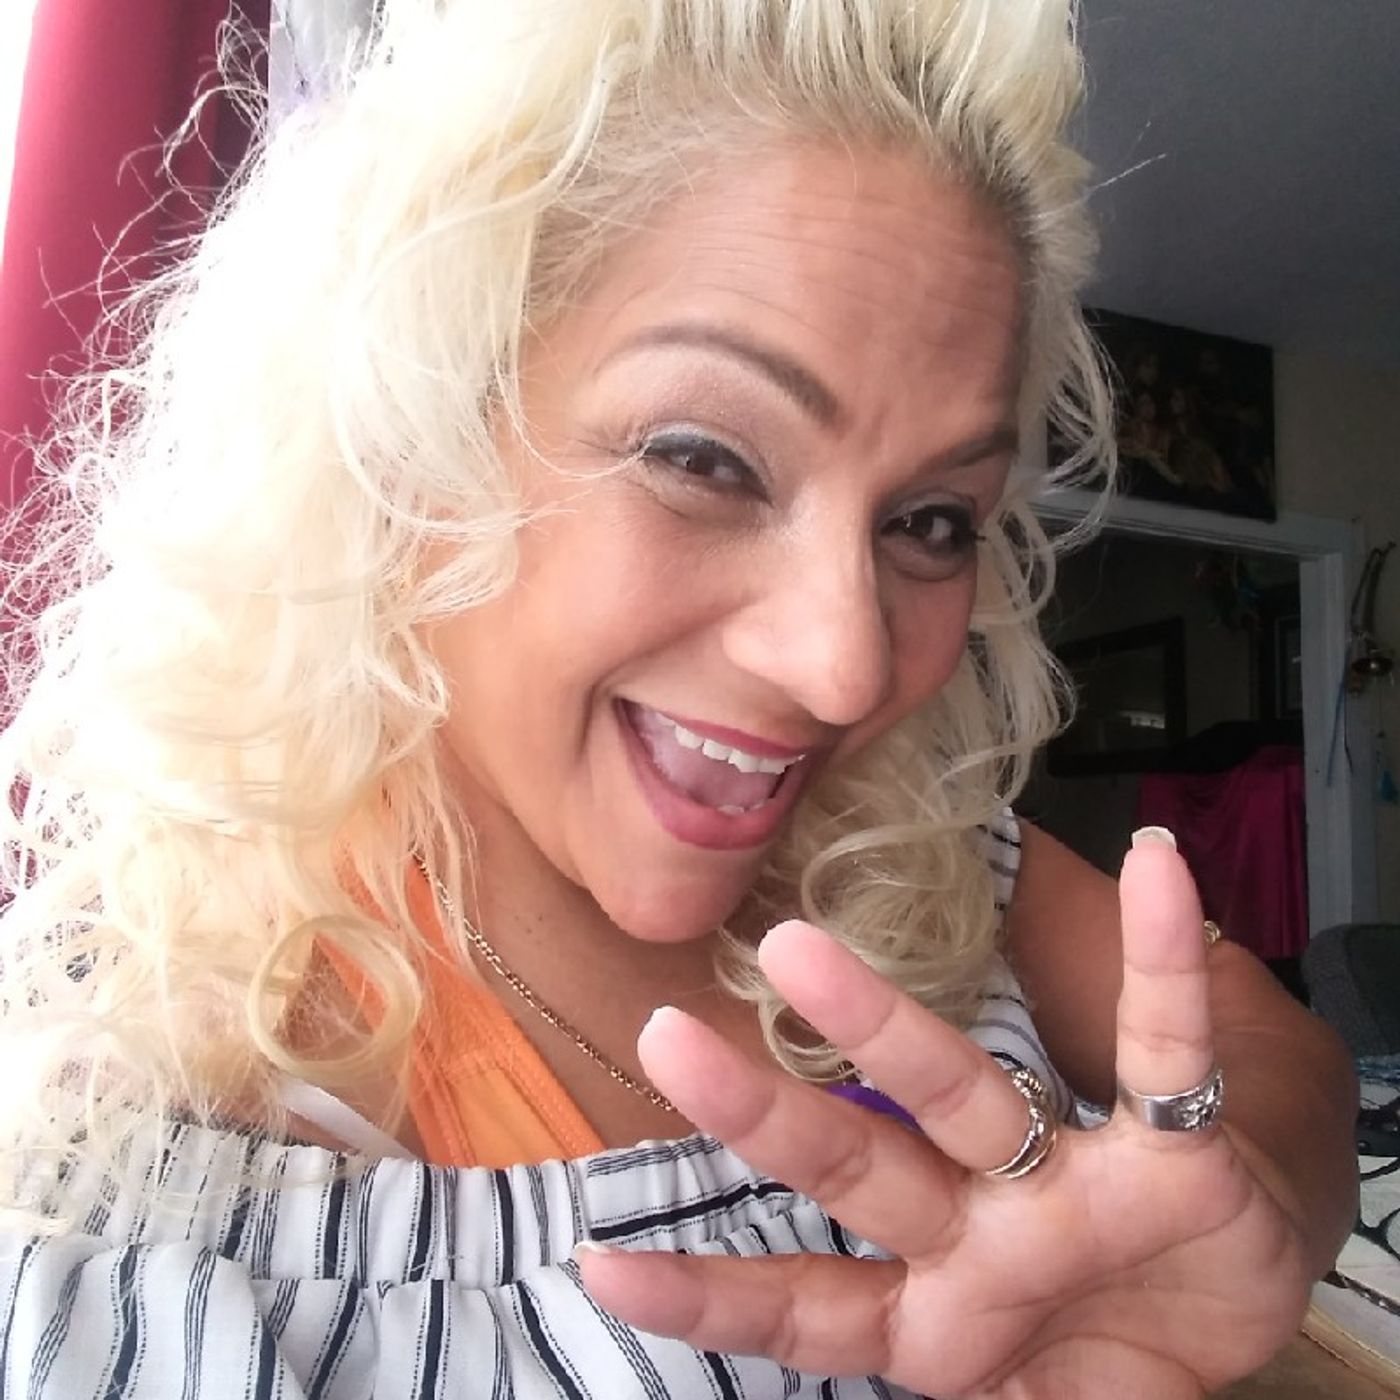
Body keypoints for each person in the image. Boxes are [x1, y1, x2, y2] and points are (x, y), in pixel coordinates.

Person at [0, 1, 1357, 1396]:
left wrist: (1246, 1189)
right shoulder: (133, 1208)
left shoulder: (922, 855)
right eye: (705, 458)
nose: (845, 668)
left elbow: (1272, 1043)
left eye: (932, 521)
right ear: (419, 427)